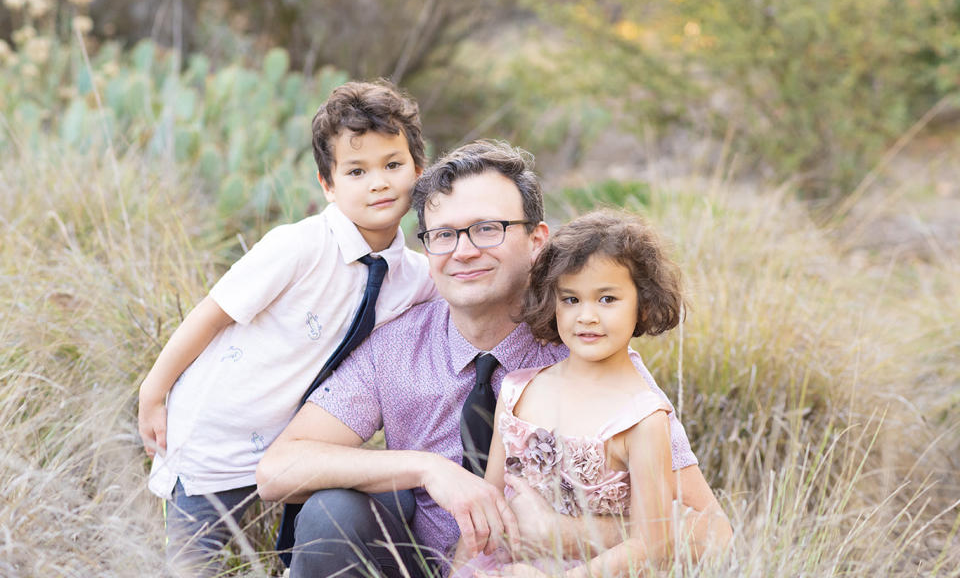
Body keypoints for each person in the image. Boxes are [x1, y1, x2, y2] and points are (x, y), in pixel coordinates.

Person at [257, 140, 730, 577]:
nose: (463, 251)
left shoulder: (585, 352)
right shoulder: (396, 347)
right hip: (419, 563)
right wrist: (428, 468)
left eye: (487, 229)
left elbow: (714, 533)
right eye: (443, 235)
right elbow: (278, 470)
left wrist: (567, 535)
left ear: (537, 239)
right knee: (332, 511)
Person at [137, 80, 437, 575]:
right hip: (216, 434)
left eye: (392, 165)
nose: (378, 182)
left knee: (295, 556)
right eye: (356, 171)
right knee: (195, 565)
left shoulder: (415, 276)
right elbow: (212, 313)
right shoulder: (297, 247)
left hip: (301, 448)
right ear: (328, 184)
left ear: (418, 171)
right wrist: (154, 389)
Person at [451, 211, 731, 577]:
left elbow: (652, 545)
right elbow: (487, 504)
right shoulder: (518, 389)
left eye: (607, 299)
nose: (586, 316)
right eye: (570, 300)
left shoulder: (643, 419)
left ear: (643, 303)